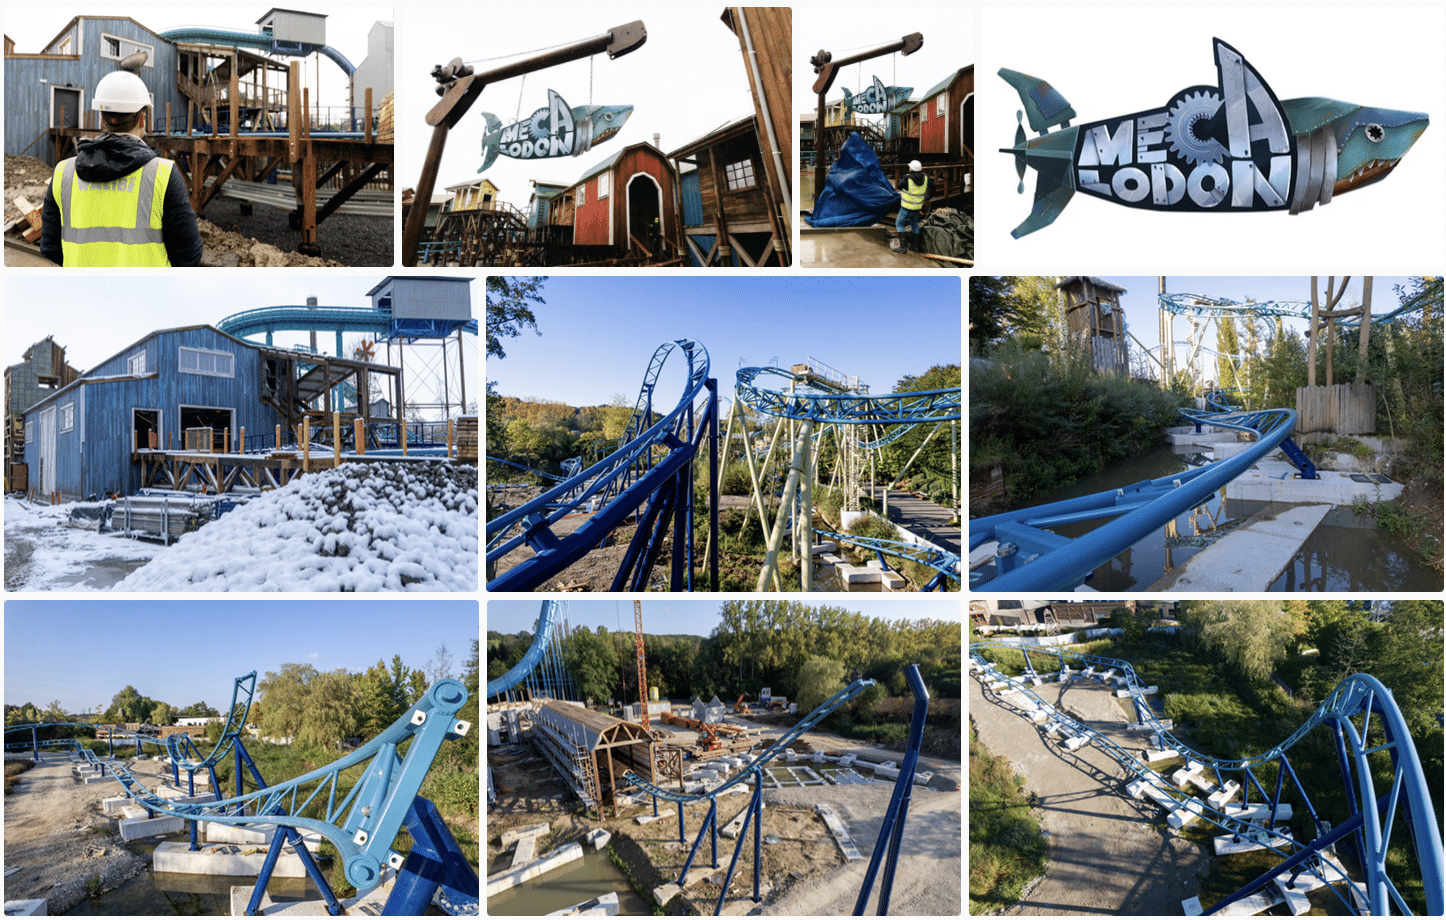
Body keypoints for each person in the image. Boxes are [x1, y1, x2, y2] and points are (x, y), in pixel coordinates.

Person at [41, 71, 203, 267]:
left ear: (102, 119)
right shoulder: (163, 175)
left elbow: (50, 250)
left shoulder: (63, 173)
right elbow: (188, 255)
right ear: (142, 121)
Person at [894, 159, 932, 254]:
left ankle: (903, 247)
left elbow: (899, 186)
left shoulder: (907, 178)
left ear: (912, 168)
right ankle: (915, 247)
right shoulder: (926, 178)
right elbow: (934, 186)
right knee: (915, 225)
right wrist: (929, 197)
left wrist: (903, 180)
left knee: (899, 224)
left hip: (906, 207)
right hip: (917, 208)